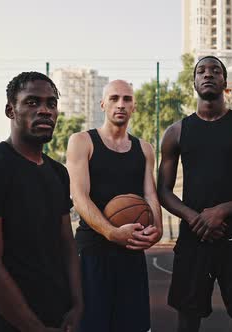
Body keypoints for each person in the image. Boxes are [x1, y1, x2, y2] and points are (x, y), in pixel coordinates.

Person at [157, 56, 232, 332]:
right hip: (193, 235)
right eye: (201, 70)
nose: (208, 74)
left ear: (225, 82)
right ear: (194, 82)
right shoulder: (175, 132)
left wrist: (221, 211)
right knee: (187, 316)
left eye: (215, 71)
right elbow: (163, 190)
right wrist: (193, 217)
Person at [0, 72, 83, 332]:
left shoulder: (58, 173)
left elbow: (67, 244)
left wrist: (77, 305)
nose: (45, 110)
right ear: (10, 110)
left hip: (58, 315)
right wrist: (34, 328)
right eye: (32, 102)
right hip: (7, 322)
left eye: (51, 103)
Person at [66, 79, 163, 332]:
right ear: (103, 104)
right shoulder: (82, 141)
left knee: (133, 326)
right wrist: (111, 232)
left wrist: (158, 229)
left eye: (127, 99)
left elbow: (150, 195)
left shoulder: (144, 148)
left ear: (134, 107)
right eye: (114, 98)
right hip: (92, 252)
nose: (121, 104)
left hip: (131, 251)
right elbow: (79, 196)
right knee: (92, 325)